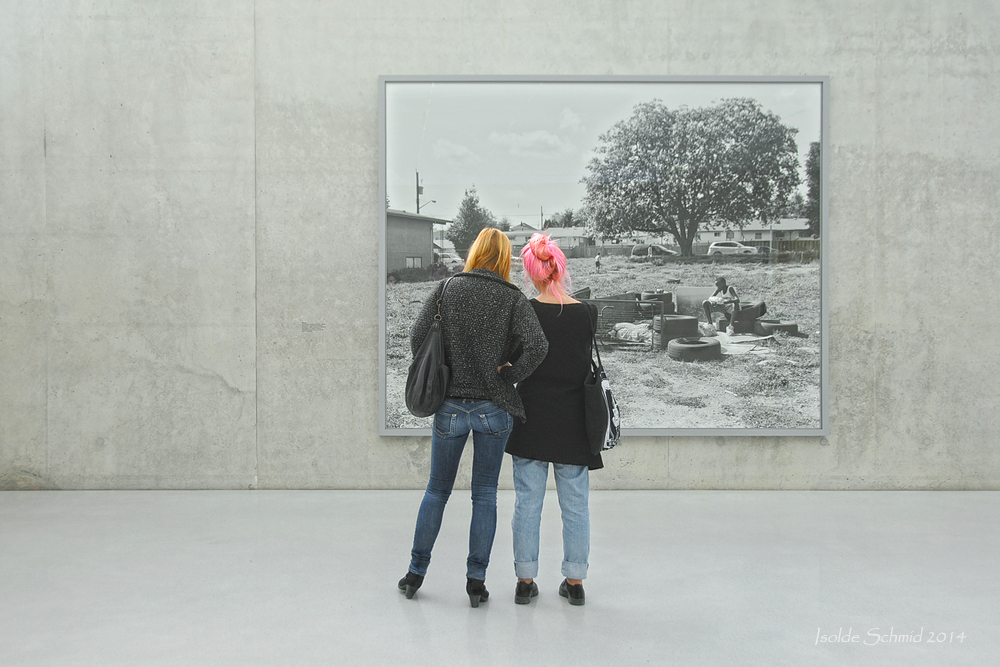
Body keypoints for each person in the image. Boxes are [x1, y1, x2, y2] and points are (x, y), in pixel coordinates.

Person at [399, 227, 549, 608]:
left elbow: (418, 335)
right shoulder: (512, 298)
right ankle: (475, 582)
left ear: (475, 252)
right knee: (484, 496)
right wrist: (508, 374)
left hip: (449, 406)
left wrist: (445, 367)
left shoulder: (448, 288)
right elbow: (538, 345)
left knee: (437, 490)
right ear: (502, 258)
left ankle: (415, 573)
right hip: (493, 408)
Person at [504, 233, 603, 607]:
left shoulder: (524, 312)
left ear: (533, 273)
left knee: (527, 502)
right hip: (573, 422)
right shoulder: (587, 313)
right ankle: (575, 582)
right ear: (560, 267)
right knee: (575, 505)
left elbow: (515, 362)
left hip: (531, 418)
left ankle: (525, 581)